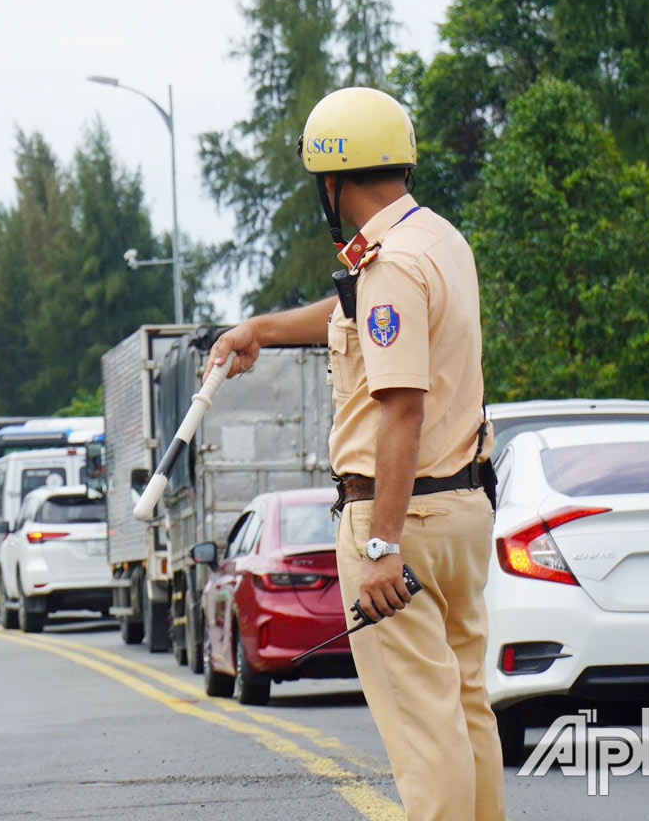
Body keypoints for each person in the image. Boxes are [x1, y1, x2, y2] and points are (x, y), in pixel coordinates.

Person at [207, 87, 502, 821]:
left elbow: (400, 410)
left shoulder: (391, 266)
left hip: (402, 518)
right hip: (461, 507)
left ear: (332, 181)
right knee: (463, 707)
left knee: (420, 725)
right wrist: (263, 330)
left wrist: (380, 545)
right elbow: (353, 315)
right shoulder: (436, 242)